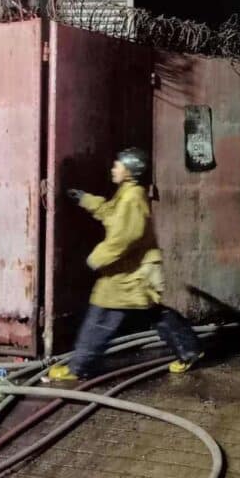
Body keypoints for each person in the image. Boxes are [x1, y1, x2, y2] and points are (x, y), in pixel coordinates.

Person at [48, 148, 204, 381]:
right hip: (137, 270)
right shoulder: (128, 192)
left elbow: (124, 238)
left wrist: (94, 259)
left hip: (131, 272)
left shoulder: (132, 198)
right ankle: (190, 349)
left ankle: (78, 368)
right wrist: (84, 199)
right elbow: (110, 213)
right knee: (153, 314)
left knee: (100, 316)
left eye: (118, 165)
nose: (113, 168)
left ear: (130, 172)